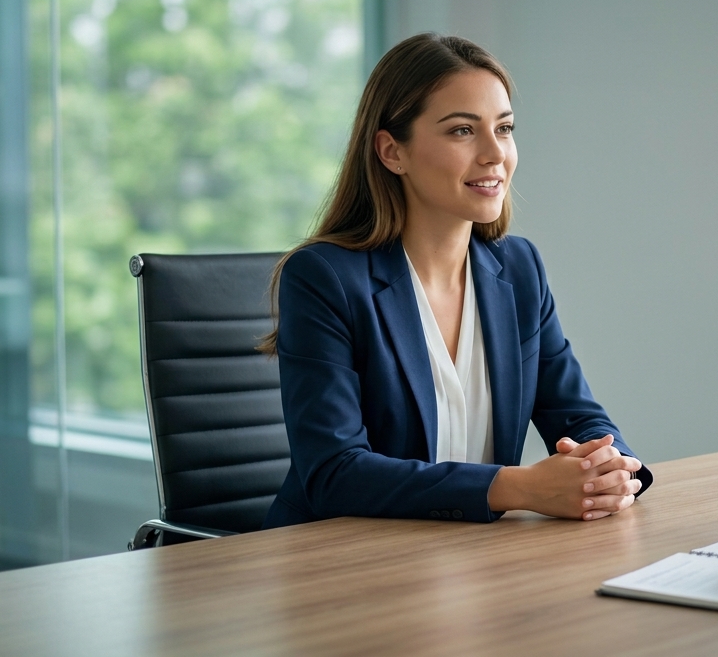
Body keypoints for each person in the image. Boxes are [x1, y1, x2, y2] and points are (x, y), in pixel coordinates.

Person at [260, 33, 651, 528]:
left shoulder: (519, 268)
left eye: (504, 128)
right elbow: (335, 473)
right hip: (339, 557)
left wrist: (611, 470)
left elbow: (578, 415)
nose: (495, 153)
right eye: (463, 130)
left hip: (469, 555)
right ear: (391, 152)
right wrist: (518, 487)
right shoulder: (324, 278)